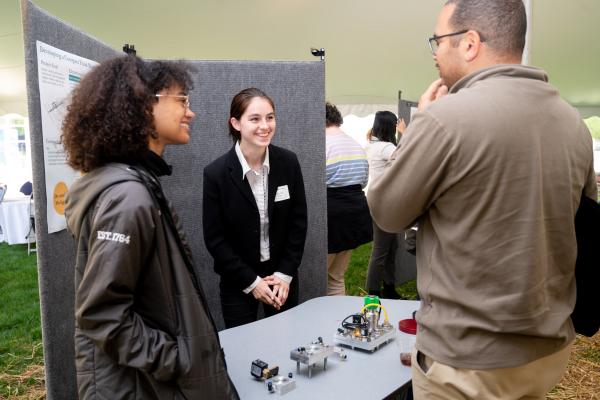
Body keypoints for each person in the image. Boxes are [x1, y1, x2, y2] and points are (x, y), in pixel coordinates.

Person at [368, 1, 597, 399]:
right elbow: (582, 221)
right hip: (545, 352)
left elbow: (387, 212)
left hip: (467, 362)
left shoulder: (445, 118)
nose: (435, 53)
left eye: (437, 41)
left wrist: (420, 126)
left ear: (470, 42)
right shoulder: (572, 123)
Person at [62, 55, 239, 399]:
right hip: (139, 386)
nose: (191, 112)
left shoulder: (132, 184)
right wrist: (178, 360)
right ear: (143, 105)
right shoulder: (128, 196)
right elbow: (102, 315)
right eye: (182, 100)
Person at [203, 87, 307, 329]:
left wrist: (284, 274)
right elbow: (215, 239)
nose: (265, 125)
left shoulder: (288, 163)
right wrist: (252, 282)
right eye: (255, 119)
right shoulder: (216, 173)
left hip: (281, 278)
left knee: (285, 343)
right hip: (238, 280)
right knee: (243, 353)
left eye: (270, 117)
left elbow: (298, 223)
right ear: (236, 123)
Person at [325, 102, 372, 295]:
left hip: (332, 214)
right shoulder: (354, 143)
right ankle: (337, 320)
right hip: (355, 211)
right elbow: (364, 180)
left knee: (317, 276)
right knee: (336, 277)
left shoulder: (322, 143)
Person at [364, 111, 405, 299]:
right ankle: (373, 293)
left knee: (391, 248)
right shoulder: (386, 147)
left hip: (382, 202)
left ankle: (388, 288)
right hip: (385, 204)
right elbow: (407, 158)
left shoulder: (373, 145)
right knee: (381, 251)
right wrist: (405, 134)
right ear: (390, 127)